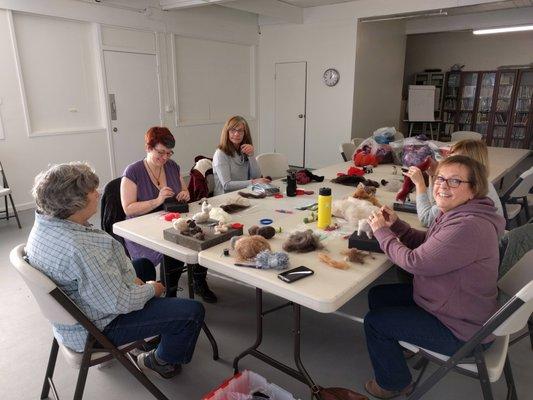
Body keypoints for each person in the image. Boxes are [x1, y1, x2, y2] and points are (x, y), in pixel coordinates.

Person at [26, 162, 205, 379]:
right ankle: (158, 360)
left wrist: (135, 282)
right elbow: (119, 302)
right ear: (75, 203)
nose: (98, 193)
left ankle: (145, 338)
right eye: (92, 191)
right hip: (98, 329)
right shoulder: (80, 248)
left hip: (78, 315)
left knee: (144, 265)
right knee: (192, 313)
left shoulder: (46, 224)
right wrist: (152, 290)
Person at [364, 155, 505, 399]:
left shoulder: (467, 226)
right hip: (453, 306)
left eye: (454, 181)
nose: (442, 186)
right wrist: (398, 226)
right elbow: (432, 244)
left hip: (462, 332)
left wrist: (382, 233)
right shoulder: (461, 212)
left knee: (375, 322)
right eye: (440, 178)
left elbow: (414, 262)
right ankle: (400, 347)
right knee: (379, 295)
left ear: (473, 190)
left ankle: (393, 384)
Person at [121, 127, 217, 303]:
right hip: (141, 230)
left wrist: (185, 194)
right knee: (175, 248)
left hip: (169, 221)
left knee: (201, 235)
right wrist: (157, 201)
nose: (165, 157)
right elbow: (128, 208)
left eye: (169, 153)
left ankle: (197, 280)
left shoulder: (172, 167)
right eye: (161, 152)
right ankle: (169, 294)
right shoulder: (133, 171)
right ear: (148, 148)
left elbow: (183, 189)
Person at [406, 139, 504, 227]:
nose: (447, 160)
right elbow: (437, 205)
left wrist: (420, 184)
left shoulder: (466, 187)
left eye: (453, 159)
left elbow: (427, 219)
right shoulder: (479, 180)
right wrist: (434, 175)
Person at [212, 115, 270, 196]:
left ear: (245, 134)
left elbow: (256, 176)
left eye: (240, 131)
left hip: (244, 193)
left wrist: (251, 155)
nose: (236, 134)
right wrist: (253, 182)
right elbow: (226, 185)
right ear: (227, 132)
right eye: (232, 130)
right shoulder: (220, 154)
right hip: (225, 198)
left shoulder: (244, 149)